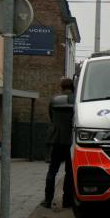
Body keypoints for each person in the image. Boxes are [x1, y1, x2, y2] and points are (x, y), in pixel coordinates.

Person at [42, 78, 75, 208]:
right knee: (69, 172)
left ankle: (48, 200)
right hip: (70, 141)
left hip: (56, 140)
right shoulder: (76, 100)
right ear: (73, 87)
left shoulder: (54, 100)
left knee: (52, 171)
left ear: (61, 87)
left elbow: (51, 118)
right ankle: (67, 201)